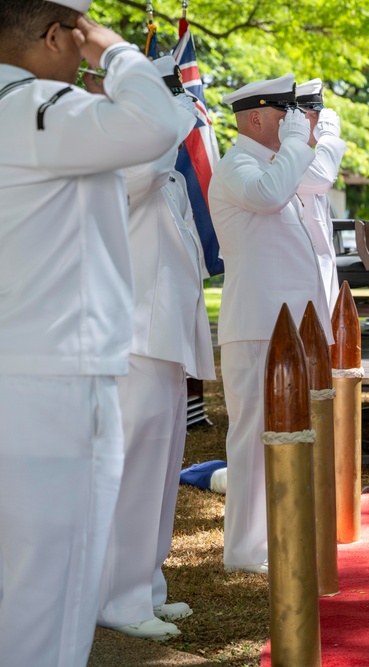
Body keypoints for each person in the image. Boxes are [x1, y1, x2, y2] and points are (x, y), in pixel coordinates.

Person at [0, 1, 183, 664]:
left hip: (26, 367)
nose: (83, 56)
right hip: (56, 384)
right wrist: (118, 53)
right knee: (52, 591)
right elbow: (158, 121)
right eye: (77, 40)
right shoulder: (39, 108)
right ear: (55, 36)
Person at [95, 56, 217, 641]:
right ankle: (118, 599)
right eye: (166, 95)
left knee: (161, 474)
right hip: (134, 340)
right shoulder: (124, 158)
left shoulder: (160, 167)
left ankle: (146, 586)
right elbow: (148, 160)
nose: (182, 106)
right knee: (132, 475)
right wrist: (169, 108)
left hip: (165, 341)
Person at [209, 74, 333, 574]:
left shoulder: (268, 164)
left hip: (281, 330)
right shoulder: (240, 165)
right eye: (285, 114)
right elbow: (270, 195)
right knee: (251, 440)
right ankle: (243, 549)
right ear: (256, 118)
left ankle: (274, 534)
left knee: (283, 436)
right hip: (257, 327)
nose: (293, 123)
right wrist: (300, 142)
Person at [296, 77, 347, 314]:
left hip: (318, 272)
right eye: (315, 114)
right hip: (300, 279)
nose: (320, 122)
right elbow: (324, 178)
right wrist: (329, 137)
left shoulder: (307, 155)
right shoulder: (289, 156)